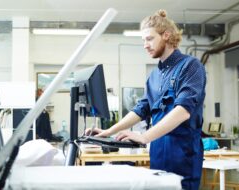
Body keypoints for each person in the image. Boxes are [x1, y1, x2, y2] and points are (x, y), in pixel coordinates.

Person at [86, 10, 206, 190]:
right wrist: (107, 132)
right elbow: (141, 109)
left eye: (149, 39)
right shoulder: (154, 76)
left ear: (166, 35)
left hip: (183, 154)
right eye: (143, 40)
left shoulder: (190, 66)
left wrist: (144, 136)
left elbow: (183, 112)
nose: (145, 45)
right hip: (158, 153)